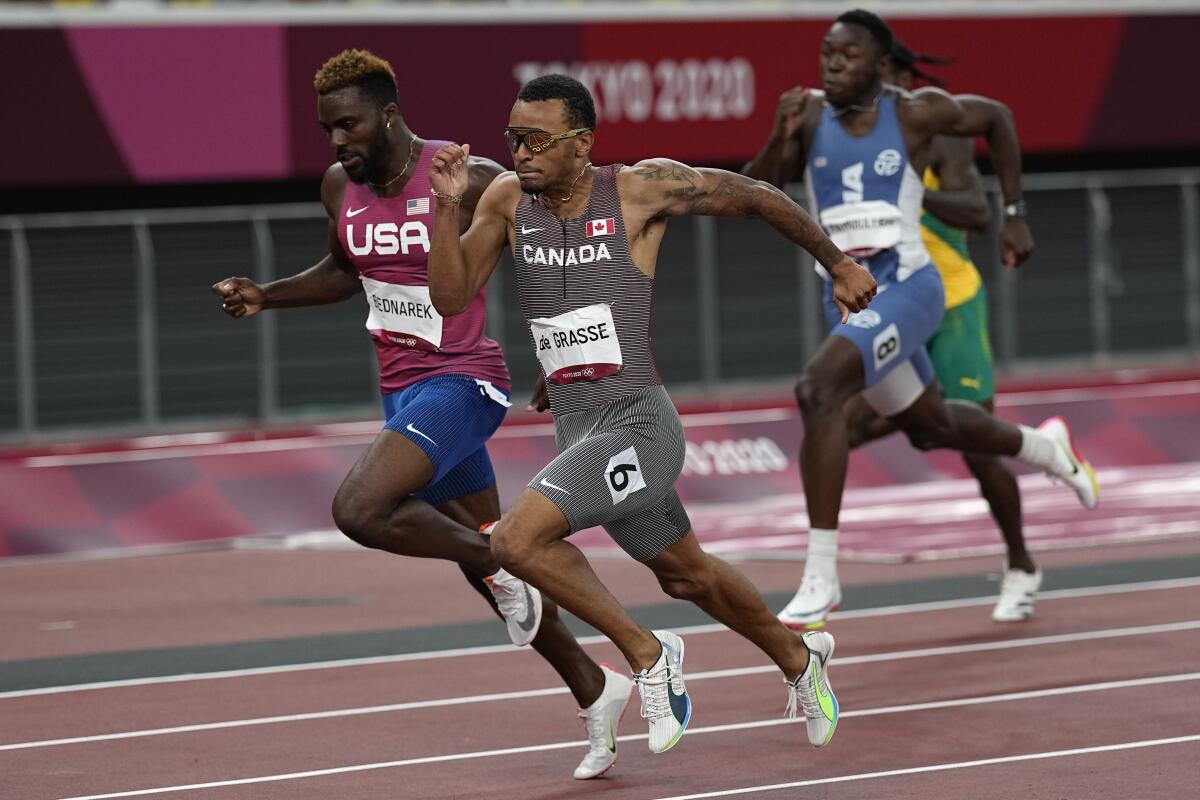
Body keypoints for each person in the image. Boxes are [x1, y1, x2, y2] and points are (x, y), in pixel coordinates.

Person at [426, 73, 877, 755]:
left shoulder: (638, 188)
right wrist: (443, 208)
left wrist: (837, 262)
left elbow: (753, 195)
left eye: (537, 139)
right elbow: (451, 299)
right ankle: (798, 657)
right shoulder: (506, 200)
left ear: (582, 145)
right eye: (512, 136)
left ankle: (647, 654)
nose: (519, 152)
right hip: (578, 428)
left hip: (640, 424)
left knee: (513, 542)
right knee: (686, 575)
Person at [211, 49, 629, 781]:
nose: (338, 142)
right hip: (401, 389)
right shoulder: (340, 184)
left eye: (350, 125)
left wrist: (563, 352)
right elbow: (345, 272)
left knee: (361, 509)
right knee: (490, 555)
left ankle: (506, 567)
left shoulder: (466, 178)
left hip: (465, 381)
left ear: (390, 116)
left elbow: (555, 258)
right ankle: (597, 689)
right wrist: (265, 294)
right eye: (327, 130)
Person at [742, 9, 1099, 629]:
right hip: (853, 301)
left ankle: (821, 576)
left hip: (911, 286)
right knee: (932, 426)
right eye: (826, 52)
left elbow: (998, 118)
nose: (831, 64)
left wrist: (1014, 211)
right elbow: (751, 199)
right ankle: (1046, 448)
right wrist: (779, 133)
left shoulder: (915, 112)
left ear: (880, 65)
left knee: (818, 389)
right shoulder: (807, 120)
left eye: (847, 55)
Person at [835, 38, 1043, 622]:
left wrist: (911, 191)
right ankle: (819, 573)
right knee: (843, 424)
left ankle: (1022, 564)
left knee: (976, 449)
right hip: (893, 304)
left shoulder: (936, 133)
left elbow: (977, 212)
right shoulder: (847, 137)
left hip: (951, 302)